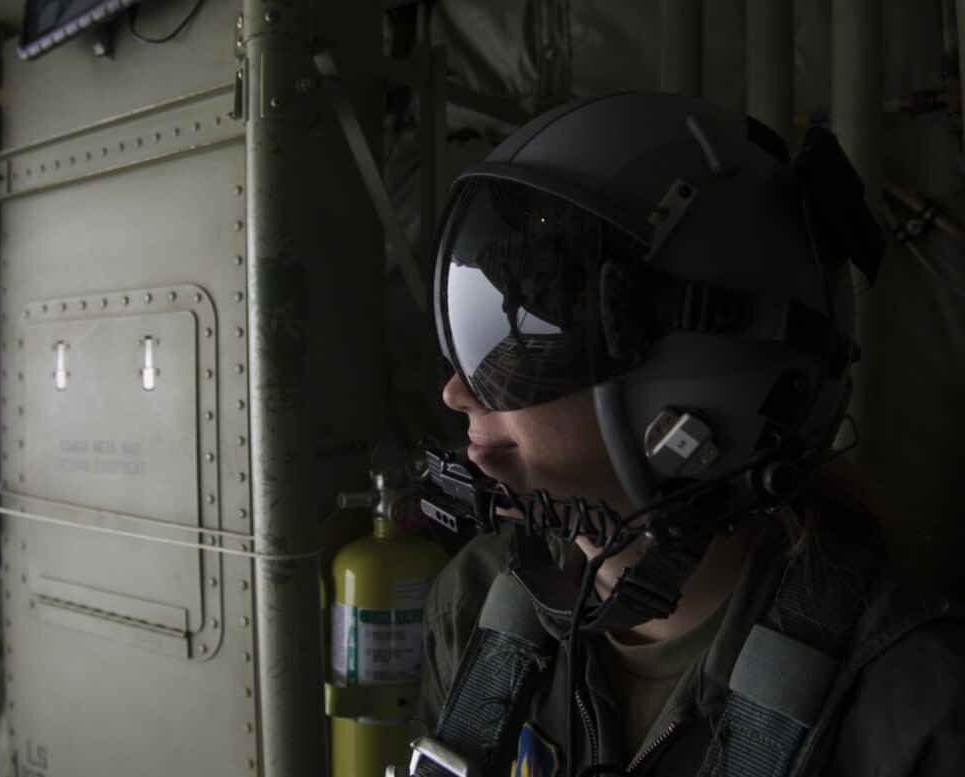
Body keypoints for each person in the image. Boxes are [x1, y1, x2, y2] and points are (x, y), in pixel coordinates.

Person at [406, 91, 965, 777]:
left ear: (696, 380)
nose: (457, 392)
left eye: (536, 336)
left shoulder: (912, 710)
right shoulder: (476, 606)